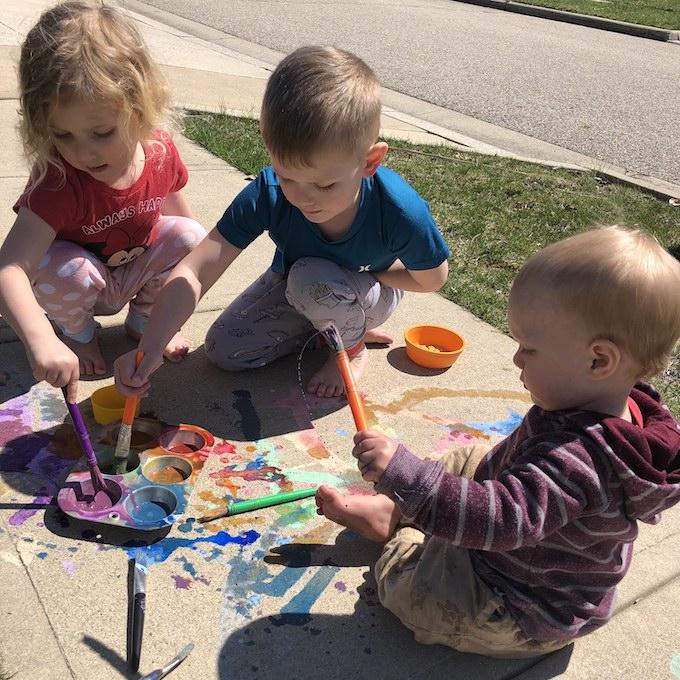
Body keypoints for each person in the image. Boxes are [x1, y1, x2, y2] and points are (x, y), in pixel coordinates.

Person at [316, 226, 680, 658]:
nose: (516, 359)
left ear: (598, 360)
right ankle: (402, 507)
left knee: (417, 596)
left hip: (516, 605)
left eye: (529, 348)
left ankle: (398, 535)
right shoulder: (622, 405)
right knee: (473, 457)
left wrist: (405, 476)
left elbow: (505, 520)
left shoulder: (577, 460)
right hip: (529, 547)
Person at [113, 46, 449, 398]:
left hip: (367, 291)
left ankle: (349, 349)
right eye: (288, 177)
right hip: (301, 283)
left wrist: (369, 276)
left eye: (325, 185)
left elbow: (432, 279)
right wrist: (151, 346)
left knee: (311, 281)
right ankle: (329, 329)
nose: (303, 198)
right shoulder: (269, 192)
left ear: (370, 161)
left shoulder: (397, 210)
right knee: (225, 350)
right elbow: (196, 270)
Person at [0, 1, 206, 399]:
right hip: (78, 287)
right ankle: (78, 334)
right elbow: (9, 268)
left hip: (129, 274)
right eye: (63, 135)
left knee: (191, 236)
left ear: (140, 105)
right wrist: (41, 338)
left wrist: (170, 313)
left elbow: (192, 250)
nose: (84, 153)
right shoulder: (58, 180)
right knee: (65, 269)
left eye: (102, 132)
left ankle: (144, 323)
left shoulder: (159, 153)